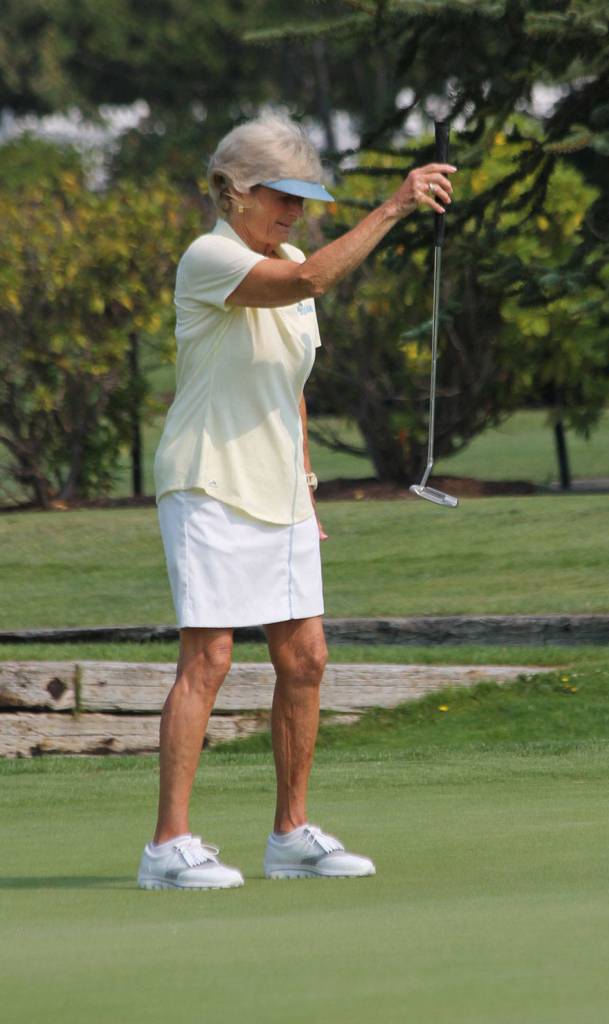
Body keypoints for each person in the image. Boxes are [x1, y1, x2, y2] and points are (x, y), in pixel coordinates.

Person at [137, 112, 455, 890]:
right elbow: (311, 281)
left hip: (278, 489)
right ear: (233, 191)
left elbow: (292, 388)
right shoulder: (209, 257)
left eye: (303, 198)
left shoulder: (289, 253)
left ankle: (289, 834)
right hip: (207, 480)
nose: (295, 212)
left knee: (304, 657)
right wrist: (396, 205)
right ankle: (167, 847)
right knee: (208, 658)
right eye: (281, 196)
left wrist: (306, 486)